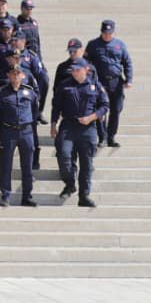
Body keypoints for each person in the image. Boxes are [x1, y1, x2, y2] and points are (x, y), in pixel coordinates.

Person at [52, 60, 108, 207]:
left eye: (77, 70)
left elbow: (104, 105)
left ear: (86, 69)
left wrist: (92, 117)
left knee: (86, 164)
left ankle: (84, 196)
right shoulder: (64, 85)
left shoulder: (95, 85)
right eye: (73, 70)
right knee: (63, 156)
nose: (74, 72)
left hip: (87, 128)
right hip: (68, 126)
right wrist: (53, 124)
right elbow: (56, 106)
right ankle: (70, 183)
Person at [0, 67, 38, 207]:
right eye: (13, 74)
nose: (16, 76)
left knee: (27, 166)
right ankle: (6, 195)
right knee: (6, 165)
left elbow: (35, 111)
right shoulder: (2, 93)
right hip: (9, 131)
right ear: (8, 75)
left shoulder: (30, 92)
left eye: (18, 74)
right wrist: (2, 129)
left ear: (23, 75)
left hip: (26, 132)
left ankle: (27, 196)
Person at [84, 19, 133, 147]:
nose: (107, 35)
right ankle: (102, 137)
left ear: (114, 33)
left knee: (116, 110)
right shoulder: (93, 44)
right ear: (101, 32)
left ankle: (111, 136)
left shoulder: (120, 45)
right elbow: (86, 62)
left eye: (110, 33)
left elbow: (127, 62)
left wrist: (129, 79)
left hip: (116, 82)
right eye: (105, 33)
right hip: (100, 82)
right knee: (101, 109)